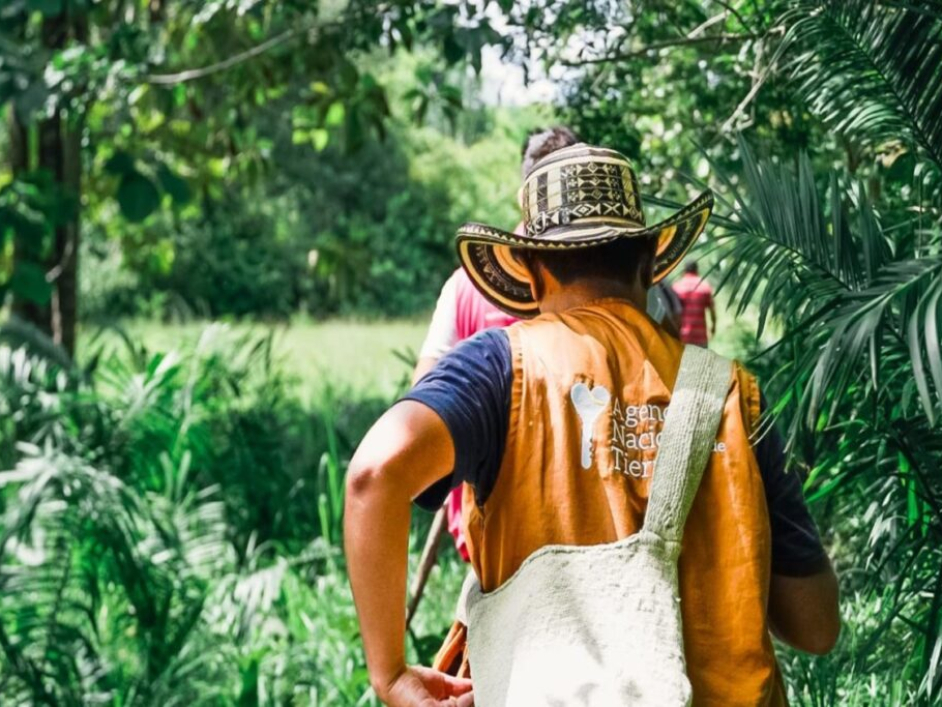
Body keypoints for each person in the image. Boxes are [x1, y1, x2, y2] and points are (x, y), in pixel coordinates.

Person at [345, 144, 839, 706]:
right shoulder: (731, 392)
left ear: (529, 275)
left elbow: (374, 473)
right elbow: (815, 626)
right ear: (651, 263)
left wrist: (389, 674)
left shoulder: (500, 368)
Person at [412, 126, 581, 563]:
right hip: (574, 522)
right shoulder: (591, 283)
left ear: (523, 194)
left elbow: (423, 391)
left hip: (481, 524)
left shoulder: (462, 286)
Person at [673, 260, 716, 346]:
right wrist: (713, 326)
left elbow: (673, 313)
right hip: (700, 337)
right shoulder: (704, 286)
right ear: (697, 270)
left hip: (682, 337)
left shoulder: (677, 287)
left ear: (684, 271)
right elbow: (712, 310)